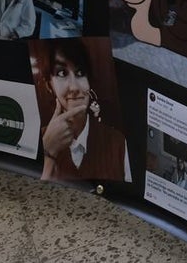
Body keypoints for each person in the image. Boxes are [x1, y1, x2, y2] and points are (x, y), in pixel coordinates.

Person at [38, 38, 127, 182]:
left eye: (80, 73)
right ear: (50, 85)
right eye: (61, 73)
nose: (74, 87)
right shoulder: (39, 140)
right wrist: (49, 151)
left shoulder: (118, 143)